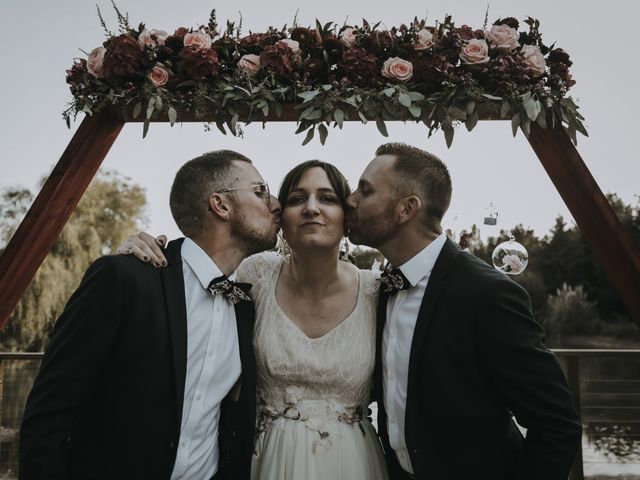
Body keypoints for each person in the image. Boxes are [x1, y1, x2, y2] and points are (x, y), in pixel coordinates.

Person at [119, 160, 389, 480]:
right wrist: (135, 252)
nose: (312, 208)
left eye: (327, 198)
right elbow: (196, 275)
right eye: (297, 199)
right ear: (281, 218)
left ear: (347, 218)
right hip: (266, 460)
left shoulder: (378, 292)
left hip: (353, 463)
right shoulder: (254, 274)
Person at [19, 150, 280, 480]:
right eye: (260, 191)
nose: (276, 204)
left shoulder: (246, 305)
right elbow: (49, 415)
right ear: (221, 205)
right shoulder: (123, 279)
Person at [345, 143, 582, 480]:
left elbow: (557, 425)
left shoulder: (487, 293)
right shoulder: (382, 287)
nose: (351, 200)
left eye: (365, 190)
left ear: (406, 208)